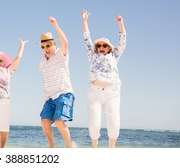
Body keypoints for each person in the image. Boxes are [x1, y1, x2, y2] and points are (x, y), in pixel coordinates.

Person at [82, 9, 126, 148]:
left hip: (112, 93)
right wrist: (84, 21)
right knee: (94, 124)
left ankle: (111, 149)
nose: (101, 47)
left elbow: (122, 41)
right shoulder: (92, 55)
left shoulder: (114, 55)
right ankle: (94, 147)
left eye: (104, 45)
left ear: (109, 48)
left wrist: (121, 24)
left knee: (114, 123)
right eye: (99, 45)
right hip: (94, 93)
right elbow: (86, 38)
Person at [39, 16, 75, 148]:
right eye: (43, 46)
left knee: (59, 122)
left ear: (54, 45)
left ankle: (68, 146)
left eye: (49, 45)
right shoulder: (43, 61)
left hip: (64, 93)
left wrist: (55, 25)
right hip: (50, 96)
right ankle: (52, 146)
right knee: (44, 121)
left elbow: (65, 43)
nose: (46, 48)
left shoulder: (61, 55)